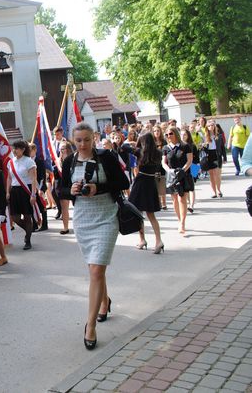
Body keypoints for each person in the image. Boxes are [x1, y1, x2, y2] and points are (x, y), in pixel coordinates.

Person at [61, 123, 129, 350]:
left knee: (96, 270)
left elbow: (123, 182)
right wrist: (69, 191)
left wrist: (97, 188)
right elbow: (59, 190)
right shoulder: (68, 161)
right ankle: (104, 301)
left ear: (94, 138)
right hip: (83, 220)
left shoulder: (107, 156)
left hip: (106, 218)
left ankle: (90, 325)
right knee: (95, 268)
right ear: (73, 140)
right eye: (78, 140)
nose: (82, 144)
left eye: (87, 140)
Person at [129, 134, 165, 254]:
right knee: (151, 215)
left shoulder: (139, 152)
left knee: (138, 213)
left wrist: (133, 144)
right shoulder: (158, 153)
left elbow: (123, 148)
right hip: (151, 182)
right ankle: (158, 240)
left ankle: (142, 239)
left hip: (140, 182)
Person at [6, 140, 39, 249]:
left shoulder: (29, 161)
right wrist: (7, 191)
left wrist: (33, 194)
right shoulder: (10, 162)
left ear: (23, 149)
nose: (14, 151)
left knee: (27, 215)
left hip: (26, 190)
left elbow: (33, 179)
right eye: (13, 148)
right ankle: (28, 230)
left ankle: (28, 240)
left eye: (16, 148)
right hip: (15, 191)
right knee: (14, 217)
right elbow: (9, 178)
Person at [163, 127, 194, 235]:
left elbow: (190, 160)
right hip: (171, 176)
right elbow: (164, 162)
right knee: (175, 200)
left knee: (182, 199)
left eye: (170, 134)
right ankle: (179, 219)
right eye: (166, 134)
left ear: (175, 134)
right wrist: (169, 171)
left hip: (183, 175)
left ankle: (182, 223)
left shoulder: (185, 146)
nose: (168, 136)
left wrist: (182, 170)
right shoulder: (166, 148)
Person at [55, 142, 74, 234]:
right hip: (63, 185)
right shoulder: (58, 161)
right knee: (64, 208)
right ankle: (65, 228)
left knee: (77, 206)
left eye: (63, 148)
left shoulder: (74, 158)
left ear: (68, 148)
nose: (61, 150)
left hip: (73, 184)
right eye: (60, 148)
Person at [180, 128, 200, 214]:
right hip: (183, 168)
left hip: (193, 166)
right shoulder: (179, 146)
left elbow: (197, 158)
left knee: (192, 187)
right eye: (181, 134)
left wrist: (198, 168)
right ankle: (188, 203)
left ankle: (191, 205)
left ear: (188, 136)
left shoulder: (192, 145)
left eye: (185, 134)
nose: (183, 136)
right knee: (186, 187)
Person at [202, 121, 223, 198]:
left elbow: (222, 147)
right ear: (207, 127)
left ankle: (218, 190)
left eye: (212, 125)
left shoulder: (218, 136)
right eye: (209, 126)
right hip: (208, 155)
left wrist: (224, 157)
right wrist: (203, 145)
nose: (211, 127)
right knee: (211, 175)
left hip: (216, 155)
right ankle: (214, 192)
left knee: (217, 174)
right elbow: (202, 147)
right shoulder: (205, 136)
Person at [152, 125, 168, 210]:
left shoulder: (164, 141)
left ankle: (164, 203)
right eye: (155, 131)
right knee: (156, 184)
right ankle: (158, 203)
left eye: (158, 131)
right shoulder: (152, 142)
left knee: (162, 182)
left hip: (162, 165)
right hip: (155, 165)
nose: (156, 132)